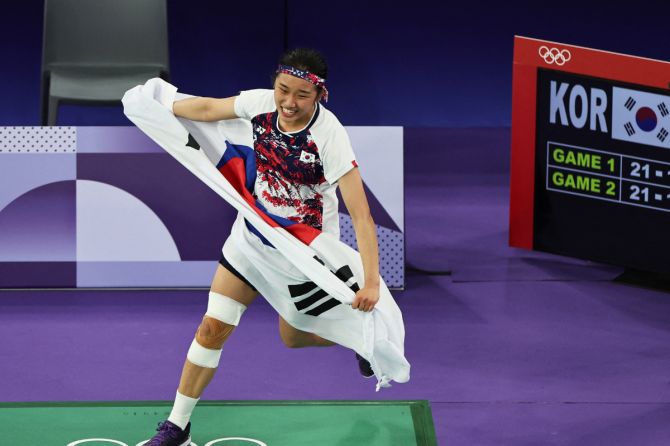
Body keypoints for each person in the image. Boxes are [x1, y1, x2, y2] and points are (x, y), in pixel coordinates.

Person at [144, 48, 383, 445]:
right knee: (212, 327)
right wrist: (158, 106)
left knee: (294, 336)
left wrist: (371, 282)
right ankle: (177, 427)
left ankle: (358, 337)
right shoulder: (260, 104)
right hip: (252, 239)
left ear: (320, 95)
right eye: (282, 90)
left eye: (301, 95)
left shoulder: (330, 136)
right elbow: (206, 109)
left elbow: (362, 216)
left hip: (303, 254)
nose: (289, 103)